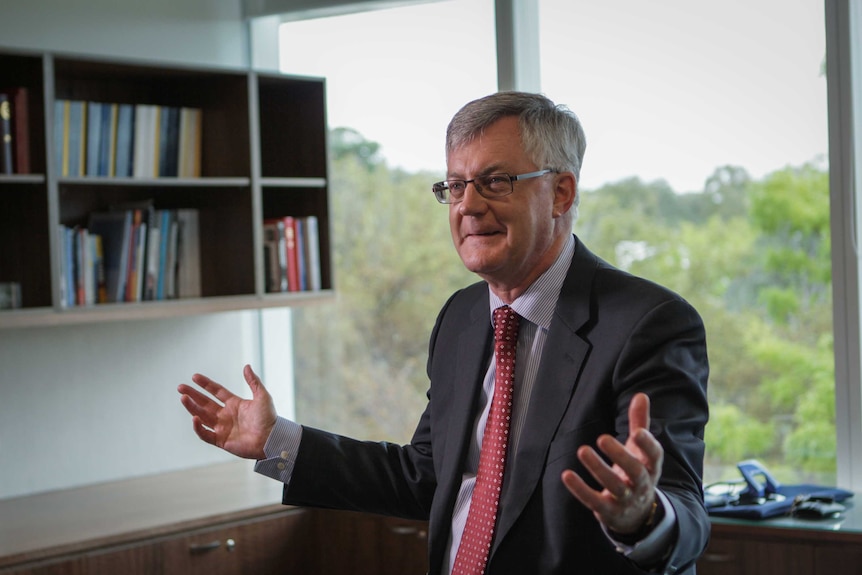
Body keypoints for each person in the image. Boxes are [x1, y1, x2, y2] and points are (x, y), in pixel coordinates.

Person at [178, 91, 710, 575]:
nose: (468, 206)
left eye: (495, 182)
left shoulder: (650, 323)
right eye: (455, 185)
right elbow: (426, 478)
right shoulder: (462, 317)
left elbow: (684, 513)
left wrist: (641, 516)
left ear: (561, 193)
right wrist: (277, 442)